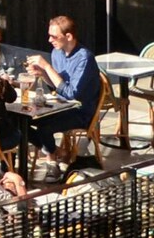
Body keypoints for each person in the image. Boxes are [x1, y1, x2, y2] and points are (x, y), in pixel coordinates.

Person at [25, 15, 103, 179]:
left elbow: (71, 93)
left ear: (68, 36)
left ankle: (51, 160)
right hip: (61, 105)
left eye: (54, 36)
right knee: (24, 120)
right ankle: (56, 151)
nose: (49, 40)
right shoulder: (57, 53)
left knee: (44, 127)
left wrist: (46, 66)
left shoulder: (84, 58)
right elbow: (57, 86)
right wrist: (44, 74)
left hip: (80, 111)